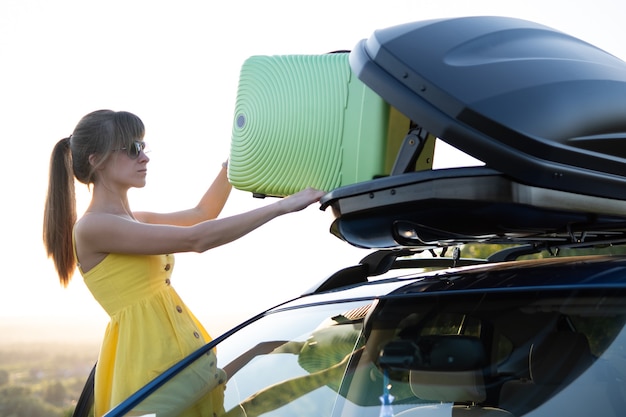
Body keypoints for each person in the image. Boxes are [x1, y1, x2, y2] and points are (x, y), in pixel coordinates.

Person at [42, 109, 325, 417]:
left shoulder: (136, 220)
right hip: (148, 366)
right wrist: (282, 207)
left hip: (177, 353)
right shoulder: (92, 227)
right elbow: (196, 239)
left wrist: (235, 163)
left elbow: (202, 214)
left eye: (143, 146)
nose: (144, 157)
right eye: (132, 149)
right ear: (96, 160)